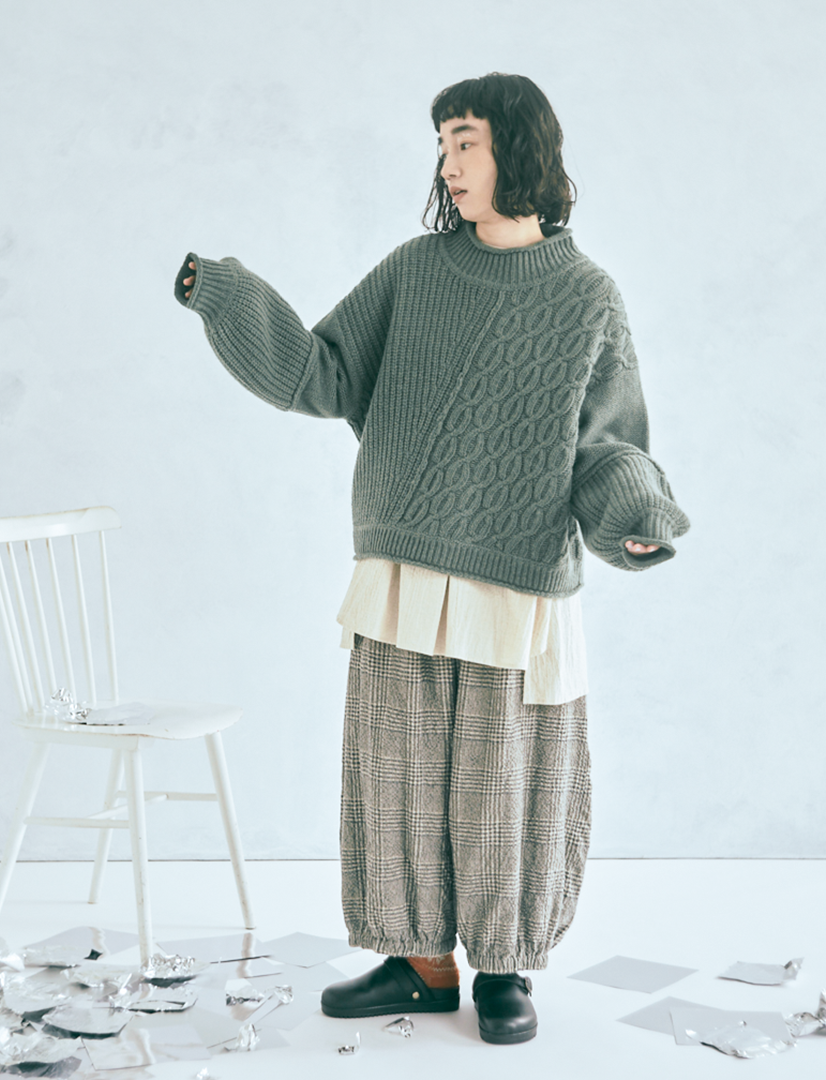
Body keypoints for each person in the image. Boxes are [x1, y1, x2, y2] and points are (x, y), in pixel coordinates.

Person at [175, 72, 689, 1046]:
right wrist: (224, 294)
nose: (448, 165)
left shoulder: (588, 297)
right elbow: (322, 371)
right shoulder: (414, 272)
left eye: (466, 143)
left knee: (505, 786)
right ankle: (418, 967)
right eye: (444, 146)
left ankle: (503, 970)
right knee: (397, 776)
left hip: (517, 583)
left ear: (519, 149)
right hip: (405, 573)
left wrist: (633, 515)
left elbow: (607, 445)